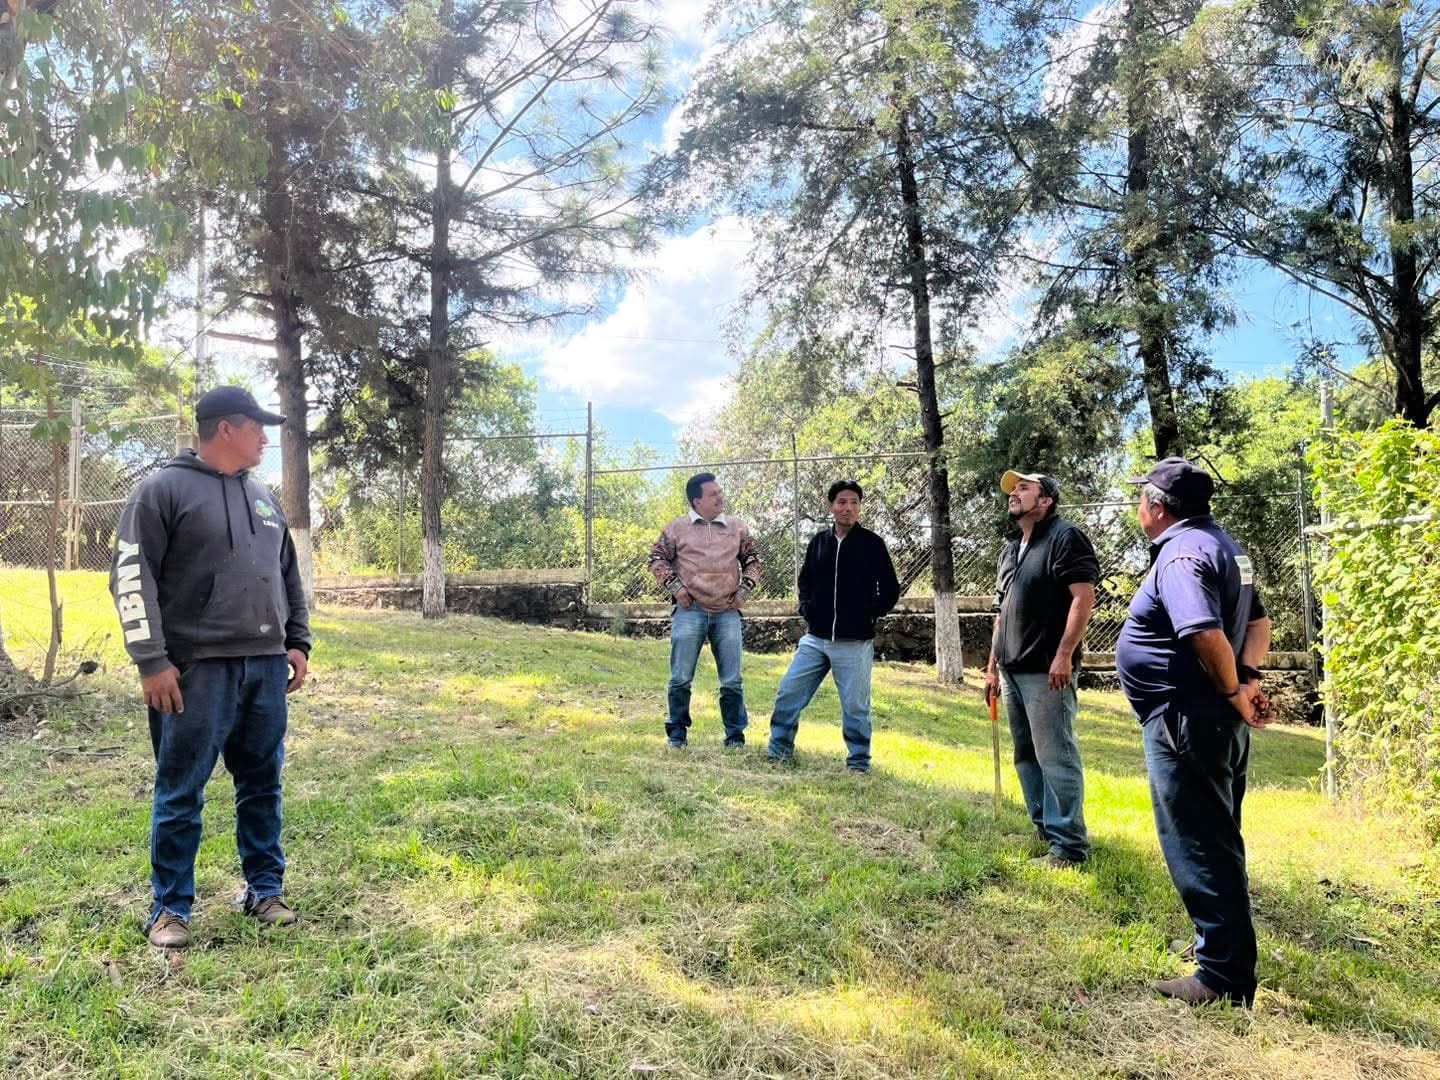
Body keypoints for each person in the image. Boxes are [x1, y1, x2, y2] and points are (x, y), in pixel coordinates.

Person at [111, 387, 311, 950]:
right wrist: (151, 661)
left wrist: (297, 643)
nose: (266, 438)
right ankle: (170, 908)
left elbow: (287, 575)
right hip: (195, 673)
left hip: (266, 668)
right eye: (258, 428)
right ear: (227, 428)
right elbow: (131, 577)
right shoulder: (161, 491)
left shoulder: (264, 497)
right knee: (181, 791)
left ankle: (264, 890)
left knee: (262, 782)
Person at [1115, 457, 1273, 1006]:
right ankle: (1221, 949)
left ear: (1157, 508)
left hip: (1187, 719)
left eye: (1142, 499)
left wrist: (1232, 689)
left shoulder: (1180, 555)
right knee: (1218, 837)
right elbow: (1258, 622)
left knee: (1201, 842)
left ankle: (1222, 978)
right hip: (1212, 720)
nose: (1139, 506)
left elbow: (1203, 632)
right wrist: (1247, 680)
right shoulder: (1226, 546)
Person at [984, 470, 1099, 868]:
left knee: (1056, 756)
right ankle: (1045, 829)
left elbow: (1083, 598)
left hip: (1047, 671)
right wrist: (991, 667)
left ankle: (1070, 847)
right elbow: (1001, 612)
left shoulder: (1065, 536)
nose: (1014, 494)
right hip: (1012, 670)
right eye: (1013, 490)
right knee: (1026, 754)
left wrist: (1064, 654)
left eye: (1024, 488)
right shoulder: (1011, 548)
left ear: (1046, 500)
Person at [766, 480, 900, 772]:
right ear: (831, 506)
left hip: (854, 641)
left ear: (859, 507)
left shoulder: (872, 544)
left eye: (854, 502)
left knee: (855, 707)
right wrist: (807, 609)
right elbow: (805, 581)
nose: (848, 508)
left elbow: (890, 590)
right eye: (842, 502)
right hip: (815, 639)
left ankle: (858, 763)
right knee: (789, 691)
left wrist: (868, 614)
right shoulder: (818, 542)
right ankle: (778, 751)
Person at [648, 472, 762, 748]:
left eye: (720, 492)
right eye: (713, 494)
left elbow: (754, 560)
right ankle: (677, 734)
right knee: (681, 677)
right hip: (690, 611)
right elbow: (656, 559)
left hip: (727, 613)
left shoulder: (737, 528)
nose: (720, 497)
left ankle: (735, 736)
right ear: (696, 501)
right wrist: (678, 589)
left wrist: (744, 592)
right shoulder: (676, 529)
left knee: (732, 680)